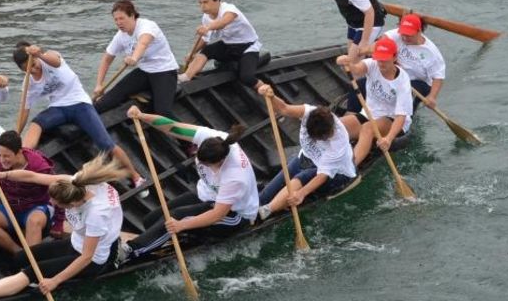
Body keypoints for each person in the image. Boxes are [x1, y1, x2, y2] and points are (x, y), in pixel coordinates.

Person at [0, 155, 128, 301]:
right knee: (21, 257)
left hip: (93, 259)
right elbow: (32, 176)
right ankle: (17, 284)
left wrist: (55, 280)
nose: (52, 204)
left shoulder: (96, 214)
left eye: (57, 204)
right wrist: (2, 174)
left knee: (32, 271)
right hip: (76, 242)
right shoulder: (74, 183)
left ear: (73, 204)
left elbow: (86, 257)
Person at [117, 105, 259, 262]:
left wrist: (182, 225)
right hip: (207, 195)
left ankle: (131, 252)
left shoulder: (235, 176)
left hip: (235, 215)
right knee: (151, 220)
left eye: (207, 165)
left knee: (177, 219)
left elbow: (217, 214)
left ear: (220, 162)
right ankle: (190, 234)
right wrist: (142, 115)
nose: (202, 166)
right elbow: (173, 127)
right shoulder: (211, 137)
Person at [12, 41, 147, 195]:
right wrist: (16, 133)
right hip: (58, 108)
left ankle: (135, 176)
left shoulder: (50, 58)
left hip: (80, 104)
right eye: (28, 69)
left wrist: (39, 54)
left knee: (105, 143)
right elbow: (25, 110)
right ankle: (22, 160)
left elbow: (55, 61)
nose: (34, 69)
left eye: (35, 64)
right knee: (36, 124)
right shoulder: (29, 83)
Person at [255, 84, 357, 220]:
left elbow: (322, 176)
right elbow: (284, 108)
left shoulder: (338, 143)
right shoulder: (309, 113)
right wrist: (271, 96)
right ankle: (262, 204)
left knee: (301, 178)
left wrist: (301, 193)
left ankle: (265, 211)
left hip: (337, 174)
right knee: (264, 196)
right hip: (306, 159)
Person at [0, 130, 64, 255]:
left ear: (19, 152)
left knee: (33, 222)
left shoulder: (39, 165)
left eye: (6, 156)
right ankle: (20, 253)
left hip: (37, 207)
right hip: (11, 208)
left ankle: (32, 261)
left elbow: (59, 190)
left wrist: (59, 222)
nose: (2, 160)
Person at [93, 0, 179, 118]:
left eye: (121, 18)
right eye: (116, 19)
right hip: (144, 72)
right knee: (106, 101)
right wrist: (99, 84)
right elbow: (107, 58)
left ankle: (190, 135)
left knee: (163, 112)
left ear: (132, 16)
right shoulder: (120, 35)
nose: (118, 23)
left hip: (164, 72)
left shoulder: (147, 26)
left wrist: (134, 58)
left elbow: (143, 43)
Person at [346, 13, 446, 112]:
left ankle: (402, 121)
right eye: (403, 34)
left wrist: (432, 97)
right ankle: (352, 114)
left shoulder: (431, 52)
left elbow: (438, 77)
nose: (405, 38)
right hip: (394, 73)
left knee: (405, 95)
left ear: (419, 31)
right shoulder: (396, 34)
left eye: (409, 35)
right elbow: (379, 44)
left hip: (418, 82)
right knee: (358, 85)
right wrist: (366, 50)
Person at [337, 37, 413, 166]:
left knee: (368, 128)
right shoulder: (372, 64)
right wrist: (345, 62)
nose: (381, 63)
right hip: (369, 113)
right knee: (337, 125)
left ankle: (350, 167)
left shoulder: (403, 81)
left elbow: (401, 116)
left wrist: (388, 139)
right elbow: (356, 69)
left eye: (385, 59)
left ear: (394, 57)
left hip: (392, 119)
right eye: (379, 59)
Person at [177, 0, 262, 88]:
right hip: (228, 46)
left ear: (217, 0)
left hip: (248, 48)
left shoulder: (229, 9)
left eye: (205, 2)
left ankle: (271, 95)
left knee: (247, 78)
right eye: (200, 3)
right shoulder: (206, 17)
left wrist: (207, 27)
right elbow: (204, 39)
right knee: (207, 50)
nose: (202, 6)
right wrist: (192, 53)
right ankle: (186, 76)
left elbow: (223, 22)